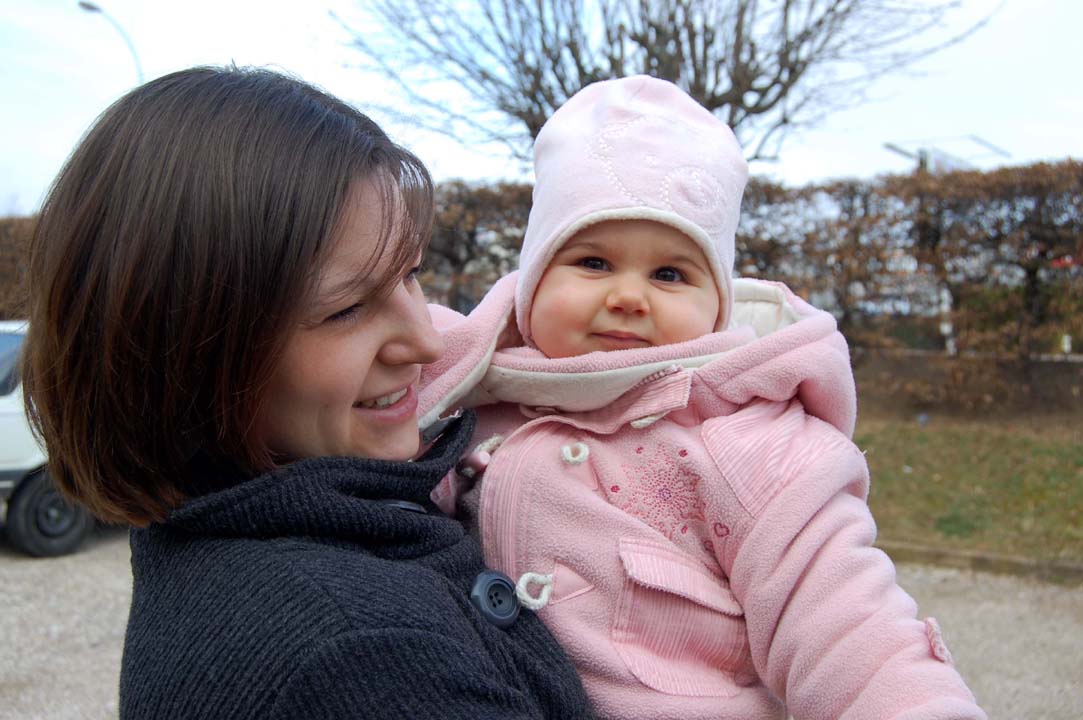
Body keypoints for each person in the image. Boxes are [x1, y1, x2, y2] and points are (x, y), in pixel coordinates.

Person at [21, 66, 592, 720]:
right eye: (345, 310)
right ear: (182, 349)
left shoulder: (216, 535)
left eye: (410, 274)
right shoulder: (363, 660)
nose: (426, 341)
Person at [419, 76, 987, 720]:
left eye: (669, 273)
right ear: (531, 281)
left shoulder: (747, 439)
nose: (628, 296)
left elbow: (848, 626)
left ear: (717, 304)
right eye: (593, 262)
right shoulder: (461, 397)